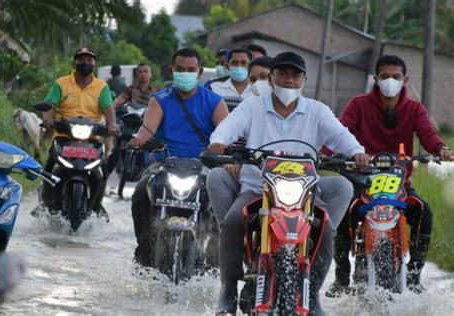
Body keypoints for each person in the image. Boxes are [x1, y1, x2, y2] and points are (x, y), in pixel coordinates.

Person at [207, 51, 369, 315]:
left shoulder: (317, 110)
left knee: (330, 219)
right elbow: (228, 126)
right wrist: (219, 141)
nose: (289, 80)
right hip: (257, 191)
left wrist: (356, 152)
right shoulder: (252, 106)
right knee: (235, 220)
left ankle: (312, 292)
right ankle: (227, 291)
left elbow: (341, 136)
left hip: (304, 195)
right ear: (271, 78)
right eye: (282, 74)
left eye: (295, 75)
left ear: (304, 79)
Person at [325, 55, 453, 297]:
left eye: (396, 77)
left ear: (405, 79)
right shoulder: (358, 104)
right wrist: (325, 153)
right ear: (376, 79)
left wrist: (440, 149)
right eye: (384, 77)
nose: (390, 81)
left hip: (398, 183)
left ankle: (414, 276)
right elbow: (339, 132)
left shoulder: (414, 109)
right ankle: (342, 278)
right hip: (360, 181)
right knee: (343, 214)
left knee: (423, 212)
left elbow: (428, 135)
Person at [129, 48, 229, 265]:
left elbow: (227, 135)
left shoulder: (215, 102)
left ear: (200, 72)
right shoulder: (160, 100)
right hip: (163, 165)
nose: (185, 73)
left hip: (203, 168)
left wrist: (223, 150)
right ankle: (144, 249)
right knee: (139, 192)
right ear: (171, 71)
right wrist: (139, 140)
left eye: (191, 70)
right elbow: (147, 130)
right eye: (180, 69)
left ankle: (215, 258)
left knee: (221, 200)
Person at [41, 47, 117, 214]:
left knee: (102, 171)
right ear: (74, 62)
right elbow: (50, 103)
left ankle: (97, 205)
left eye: (89, 60)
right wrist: (47, 118)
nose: (85, 63)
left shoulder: (101, 86)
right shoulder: (61, 83)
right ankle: (45, 203)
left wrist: (112, 125)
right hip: (64, 135)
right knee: (49, 166)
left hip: (92, 137)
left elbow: (109, 110)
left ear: (95, 64)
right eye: (81, 59)